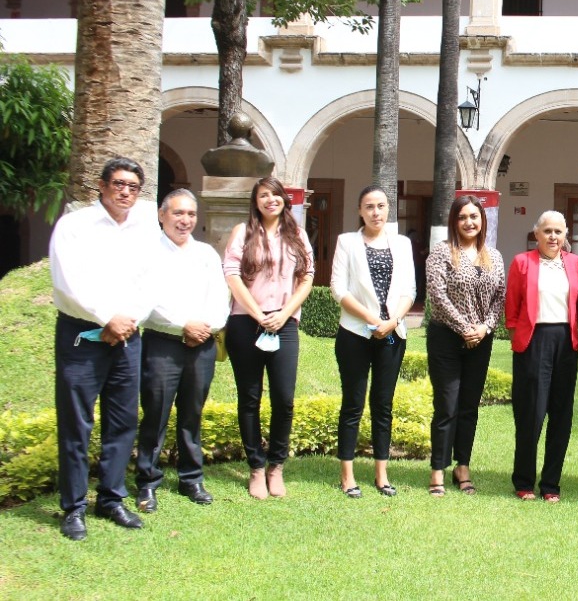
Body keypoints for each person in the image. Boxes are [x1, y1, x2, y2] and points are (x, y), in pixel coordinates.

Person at [50, 157, 160, 540]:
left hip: (128, 335)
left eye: (133, 187)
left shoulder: (145, 231)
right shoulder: (75, 226)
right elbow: (67, 281)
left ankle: (111, 498)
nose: (125, 192)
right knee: (76, 422)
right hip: (82, 334)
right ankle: (74, 507)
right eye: (118, 184)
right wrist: (106, 318)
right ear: (101, 185)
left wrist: (127, 320)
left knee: (122, 420)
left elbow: (151, 282)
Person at [134, 189, 230, 513]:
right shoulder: (147, 253)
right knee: (156, 414)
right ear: (162, 215)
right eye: (178, 213)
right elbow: (146, 300)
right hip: (162, 343)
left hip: (202, 344)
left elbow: (220, 297)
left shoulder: (206, 254)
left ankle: (191, 478)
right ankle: (147, 482)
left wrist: (207, 327)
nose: (185, 220)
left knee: (192, 413)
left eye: (191, 214)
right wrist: (182, 325)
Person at [223, 176, 315, 499]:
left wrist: (285, 313)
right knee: (249, 398)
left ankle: (276, 466)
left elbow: (307, 276)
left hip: (284, 323)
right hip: (246, 322)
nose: (270, 200)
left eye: (275, 195)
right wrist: (257, 314)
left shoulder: (297, 234)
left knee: (284, 398)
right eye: (263, 195)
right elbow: (231, 275)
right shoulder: (242, 232)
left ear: (284, 200)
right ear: (256, 201)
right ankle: (256, 468)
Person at [330, 186, 416, 498]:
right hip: (355, 333)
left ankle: (382, 474)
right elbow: (338, 289)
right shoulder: (347, 242)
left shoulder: (402, 244)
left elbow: (409, 290)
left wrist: (392, 321)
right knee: (353, 403)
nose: (375, 212)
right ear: (360, 211)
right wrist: (371, 318)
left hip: (392, 333)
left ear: (388, 209)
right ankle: (347, 475)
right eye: (369, 206)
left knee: (383, 404)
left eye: (381, 206)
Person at [425, 195, 505, 497]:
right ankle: (437, 469)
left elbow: (500, 296)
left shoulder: (493, 256)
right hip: (446, 337)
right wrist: (464, 328)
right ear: (454, 222)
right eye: (462, 217)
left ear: (482, 220)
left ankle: (462, 466)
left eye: (474, 216)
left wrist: (484, 328)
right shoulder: (442, 252)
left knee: (469, 406)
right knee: (447, 405)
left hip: (481, 341)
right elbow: (437, 295)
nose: (469, 222)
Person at [505, 210, 578, 503]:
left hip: (566, 343)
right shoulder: (522, 262)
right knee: (531, 413)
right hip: (534, 341)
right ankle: (524, 480)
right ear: (536, 234)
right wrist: (519, 340)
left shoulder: (575, 263)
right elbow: (512, 308)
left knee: (561, 415)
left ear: (565, 235)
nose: (553, 237)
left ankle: (551, 483)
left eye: (558, 232)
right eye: (547, 231)